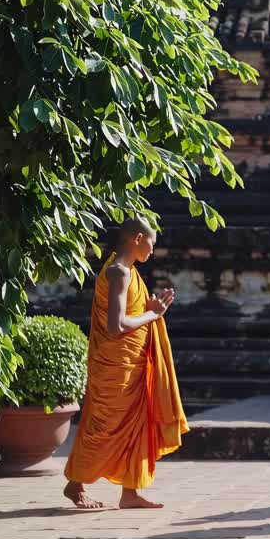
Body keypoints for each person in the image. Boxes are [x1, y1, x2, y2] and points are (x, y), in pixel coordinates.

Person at [63, 218, 187, 509]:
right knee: (105, 425)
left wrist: (149, 310)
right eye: (151, 243)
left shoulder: (129, 271)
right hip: (115, 365)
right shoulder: (119, 271)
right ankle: (75, 484)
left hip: (132, 362)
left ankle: (130, 493)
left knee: (137, 423)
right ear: (137, 238)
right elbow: (117, 326)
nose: (152, 250)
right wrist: (152, 315)